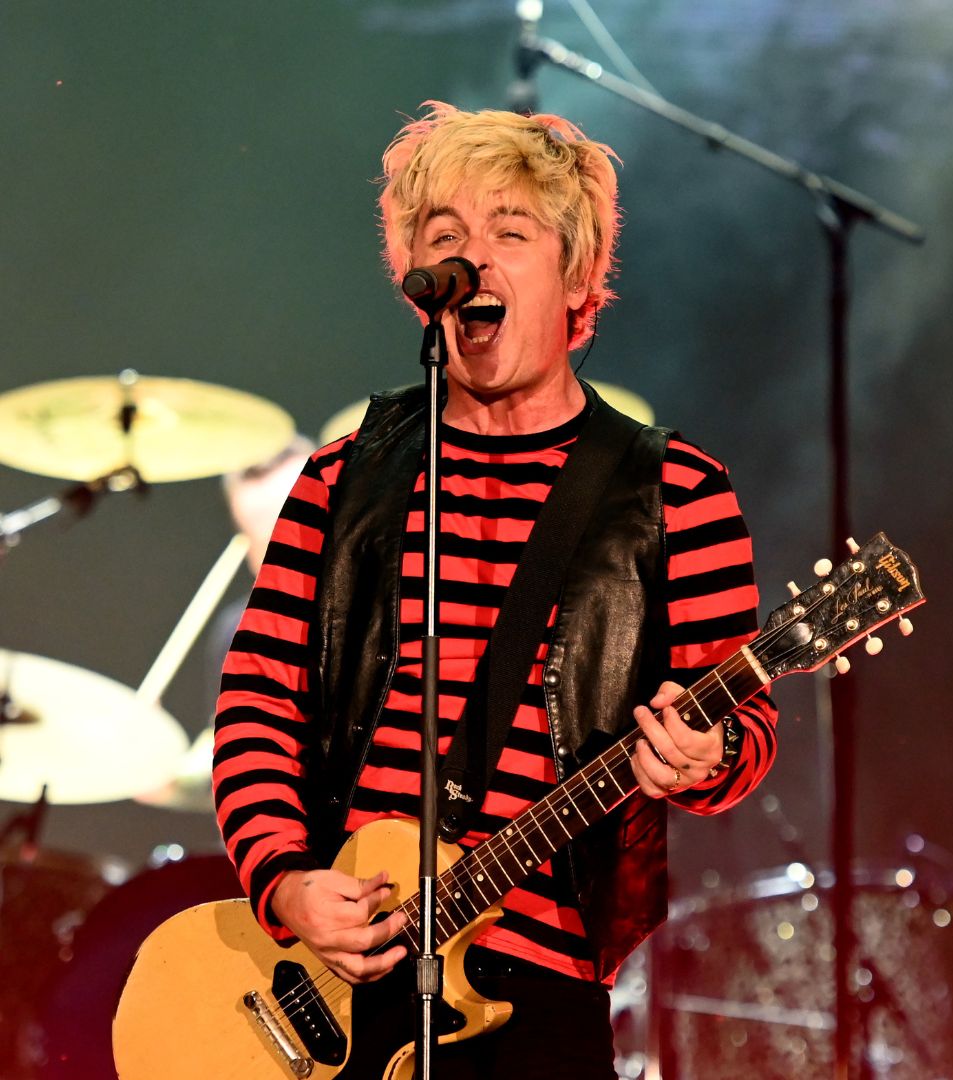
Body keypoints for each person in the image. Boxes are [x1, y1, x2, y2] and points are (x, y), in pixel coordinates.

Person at [210, 102, 777, 1077]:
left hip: (540, 992)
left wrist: (703, 753)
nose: (472, 259)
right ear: (416, 281)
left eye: (510, 233)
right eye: (446, 238)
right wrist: (290, 888)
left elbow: (747, 731)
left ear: (579, 279)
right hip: (331, 985)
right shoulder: (345, 479)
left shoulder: (677, 492)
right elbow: (259, 702)